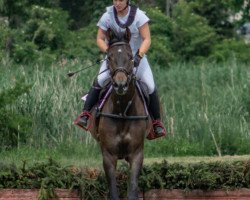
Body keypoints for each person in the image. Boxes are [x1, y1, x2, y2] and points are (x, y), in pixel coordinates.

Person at [77, 0, 166, 136]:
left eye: (120, 0)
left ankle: (156, 123)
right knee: (100, 80)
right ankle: (85, 114)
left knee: (150, 85)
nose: (117, 3)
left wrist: (139, 56)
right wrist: (109, 52)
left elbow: (147, 39)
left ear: (127, 1)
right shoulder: (107, 16)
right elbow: (100, 38)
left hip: (137, 59)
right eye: (115, 0)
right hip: (114, 60)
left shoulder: (139, 16)